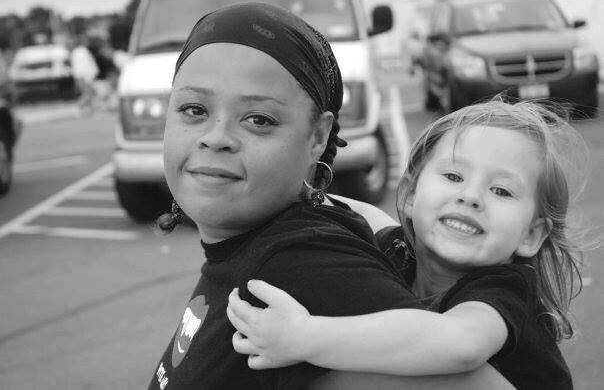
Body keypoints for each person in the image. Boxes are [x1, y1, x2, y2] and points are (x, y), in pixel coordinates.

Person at [148, 2, 511, 390]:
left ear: (318, 138)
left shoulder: (300, 265)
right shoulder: (261, 243)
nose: (216, 137)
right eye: (193, 109)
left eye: (259, 120)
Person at [227, 99, 588, 389]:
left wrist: (302, 336)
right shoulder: (401, 250)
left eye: (501, 190)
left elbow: (459, 345)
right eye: (453, 175)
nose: (470, 196)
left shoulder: (505, 290)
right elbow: (370, 216)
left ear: (530, 235)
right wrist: (299, 192)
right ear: (413, 196)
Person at [70, 34, 99, 115]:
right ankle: (78, 107)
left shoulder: (80, 51)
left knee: (89, 93)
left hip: (83, 76)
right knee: (88, 93)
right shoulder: (80, 51)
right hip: (83, 77)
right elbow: (83, 66)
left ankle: (88, 109)